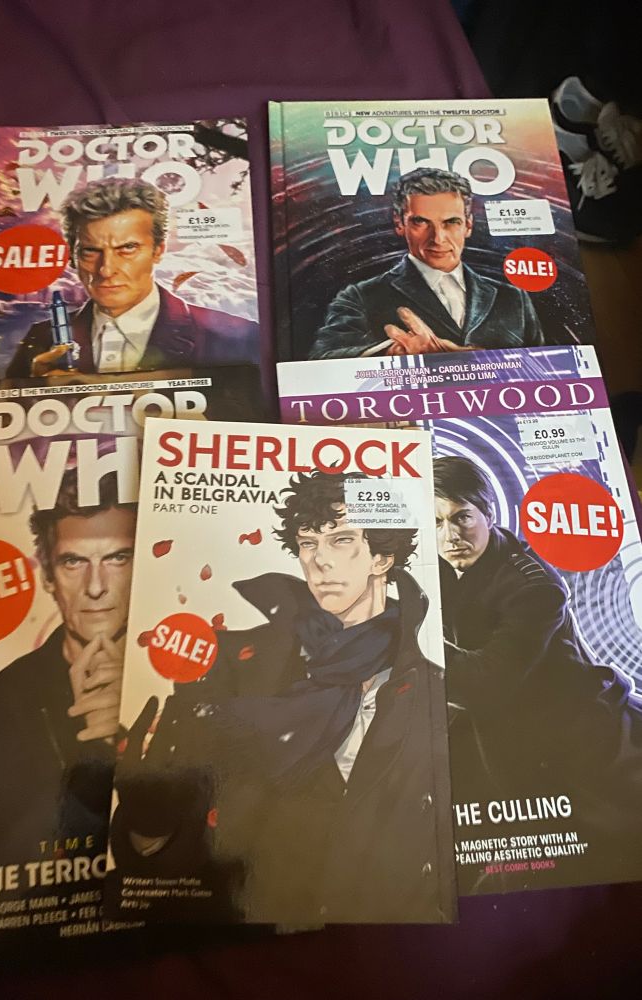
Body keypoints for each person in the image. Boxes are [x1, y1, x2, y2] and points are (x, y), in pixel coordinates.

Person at [110, 470, 452, 924]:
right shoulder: (233, 664)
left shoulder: (435, 688)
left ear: (382, 557)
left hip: (386, 936)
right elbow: (183, 867)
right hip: (256, 930)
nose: (319, 561)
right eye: (308, 543)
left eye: (341, 540)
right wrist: (148, 825)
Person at [0, 469, 136, 974]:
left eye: (117, 558)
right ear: (47, 576)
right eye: (74, 561)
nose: (96, 587)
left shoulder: (206, 678)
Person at [433, 455, 642, 886]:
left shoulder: (534, 587)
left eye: (461, 517)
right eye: (435, 521)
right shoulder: (440, 560)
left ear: (488, 513)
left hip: (575, 742)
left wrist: (407, 638)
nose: (450, 535)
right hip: (499, 734)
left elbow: (484, 683)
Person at [5, 177, 259, 377]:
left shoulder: (237, 337)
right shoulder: (40, 339)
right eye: (91, 251)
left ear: (158, 251)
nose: (106, 270)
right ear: (73, 256)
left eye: (127, 248)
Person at [310, 167, 544, 359]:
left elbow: (545, 368)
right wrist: (391, 354)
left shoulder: (513, 299)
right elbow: (322, 360)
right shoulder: (360, 297)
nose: (438, 239)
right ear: (400, 224)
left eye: (451, 222)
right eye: (421, 222)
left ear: (468, 225)